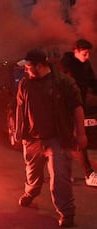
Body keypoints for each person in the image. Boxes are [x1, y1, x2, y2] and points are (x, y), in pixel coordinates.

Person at [15, 48, 87, 228]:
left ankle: (67, 213)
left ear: (40, 66)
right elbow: (19, 107)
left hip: (57, 139)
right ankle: (31, 192)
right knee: (33, 176)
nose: (26, 70)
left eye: (29, 67)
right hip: (32, 140)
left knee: (60, 178)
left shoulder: (63, 82)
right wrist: (18, 131)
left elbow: (77, 108)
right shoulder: (25, 84)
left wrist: (81, 134)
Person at [60, 38, 97, 187]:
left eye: (89, 54)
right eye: (85, 53)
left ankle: (62, 172)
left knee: (73, 140)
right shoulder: (65, 66)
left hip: (78, 106)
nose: (87, 57)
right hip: (65, 108)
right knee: (78, 139)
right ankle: (88, 173)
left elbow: (93, 82)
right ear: (76, 51)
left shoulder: (85, 65)